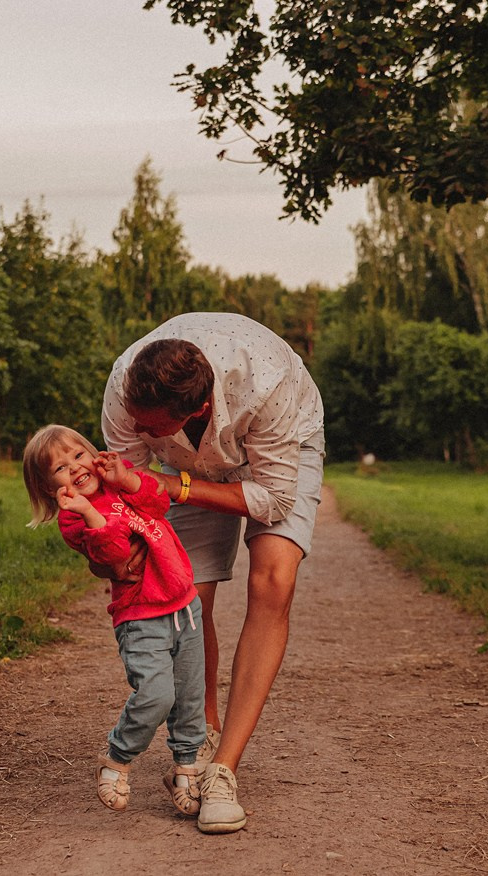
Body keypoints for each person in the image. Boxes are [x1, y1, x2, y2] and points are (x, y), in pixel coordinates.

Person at [101, 312, 324, 834]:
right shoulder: (125, 389)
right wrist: (115, 552)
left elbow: (272, 498)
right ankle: (199, 738)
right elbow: (129, 483)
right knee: (184, 596)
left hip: (277, 447)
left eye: (149, 426)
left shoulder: (266, 385)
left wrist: (180, 488)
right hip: (179, 463)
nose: (134, 430)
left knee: (273, 580)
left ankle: (224, 769)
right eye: (134, 419)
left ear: (196, 410)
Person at [23, 424, 206, 819]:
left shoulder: (119, 481)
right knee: (157, 695)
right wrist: (90, 512)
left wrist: (127, 479)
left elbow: (158, 505)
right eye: (58, 468)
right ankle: (117, 758)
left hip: (185, 605)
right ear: (47, 488)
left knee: (191, 698)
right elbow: (113, 554)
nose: (73, 468)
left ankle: (186, 769)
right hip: (141, 616)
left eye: (77, 455)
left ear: (92, 454)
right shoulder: (73, 519)